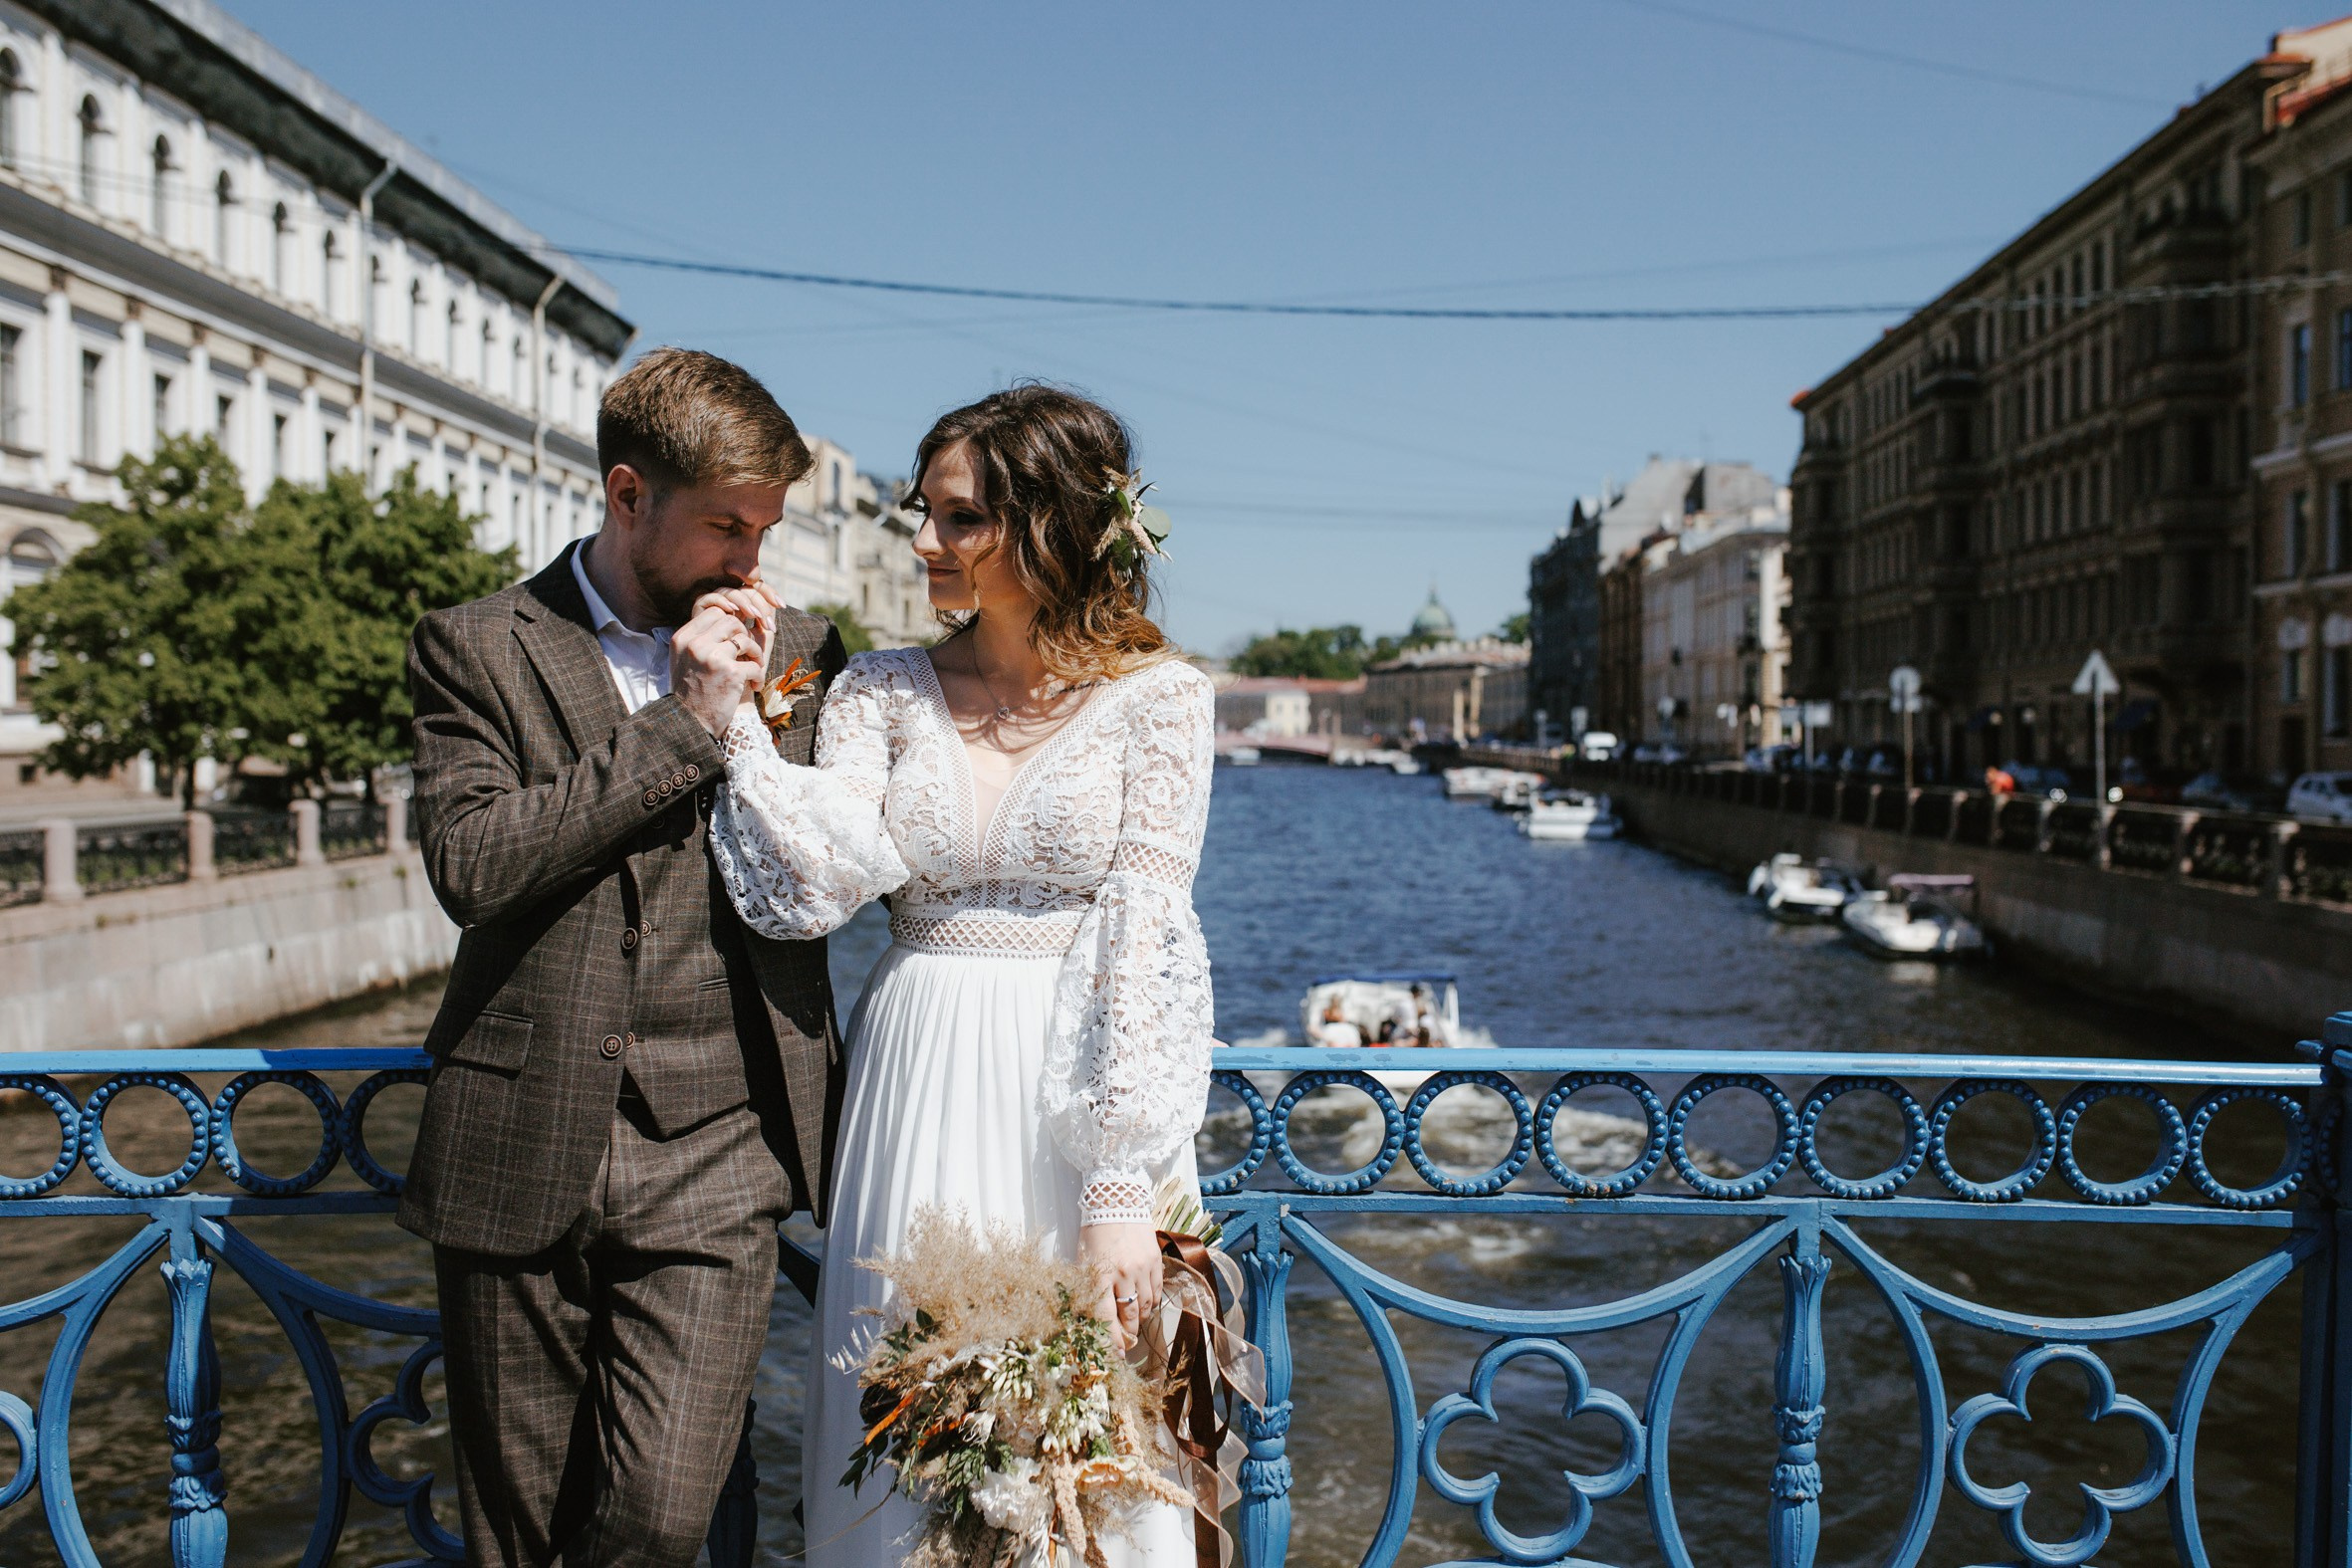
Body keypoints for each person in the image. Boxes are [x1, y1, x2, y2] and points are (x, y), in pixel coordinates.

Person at [704, 384, 1215, 1566]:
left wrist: (1117, 1189)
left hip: (1078, 1093)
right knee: (907, 1416)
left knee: (1091, 1428)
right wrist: (732, 726)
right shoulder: (879, 689)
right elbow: (820, 875)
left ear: (1052, 527)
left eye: (961, 517)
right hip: (917, 1072)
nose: (925, 541)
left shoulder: (1164, 702)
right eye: (920, 512)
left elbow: (1144, 930)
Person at [397, 348, 847, 1568]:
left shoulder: (804, 650)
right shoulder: (478, 645)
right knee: (519, 1529)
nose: (749, 564)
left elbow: (836, 864)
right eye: (723, 527)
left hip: (719, 1147)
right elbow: (473, 866)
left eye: (765, 529)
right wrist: (686, 723)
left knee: (658, 1516)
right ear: (627, 495)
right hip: (518, 1131)